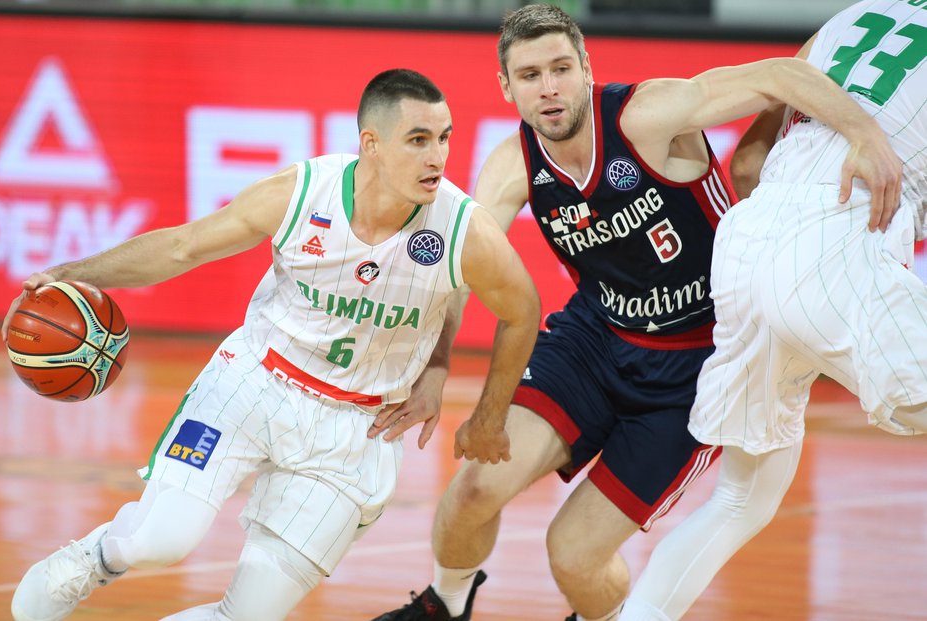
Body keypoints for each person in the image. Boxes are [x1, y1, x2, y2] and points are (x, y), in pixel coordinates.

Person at [367, 5, 905, 621]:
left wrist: (867, 136)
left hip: (695, 364)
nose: (549, 89)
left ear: (586, 67)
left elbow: (784, 73)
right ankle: (445, 606)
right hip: (596, 338)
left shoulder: (645, 115)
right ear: (506, 87)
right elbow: (461, 270)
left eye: (561, 69)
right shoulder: (512, 164)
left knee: (572, 556)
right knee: (473, 491)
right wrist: (435, 366)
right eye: (530, 75)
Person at [4, 68, 541, 621]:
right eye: (419, 139)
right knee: (161, 540)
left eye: (445, 137)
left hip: (359, 430)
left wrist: (471, 397)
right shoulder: (304, 193)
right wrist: (73, 271)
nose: (438, 157)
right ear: (371, 145)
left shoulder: (462, 229)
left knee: (249, 616)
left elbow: (522, 312)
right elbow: (184, 247)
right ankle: (94, 558)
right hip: (257, 380)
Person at [618, 1, 922, 619]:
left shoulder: (851, 16)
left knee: (741, 498)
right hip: (839, 229)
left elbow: (747, 163)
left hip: (749, 237)